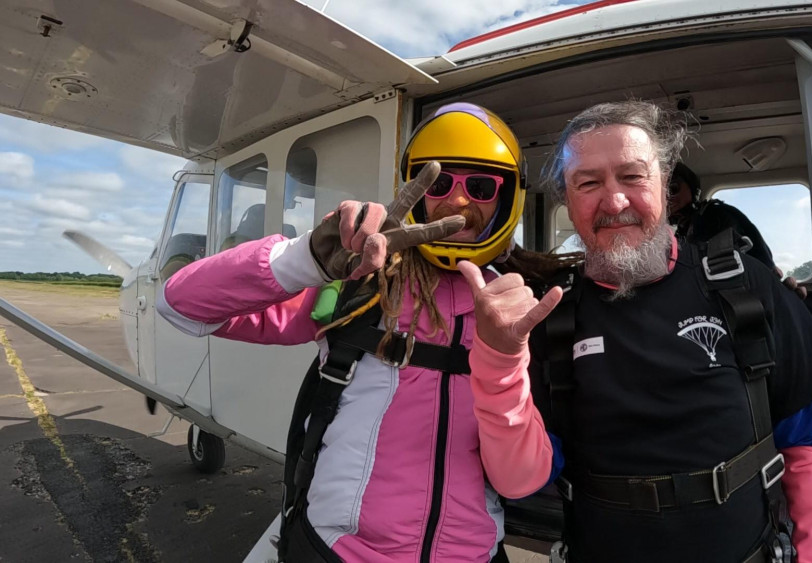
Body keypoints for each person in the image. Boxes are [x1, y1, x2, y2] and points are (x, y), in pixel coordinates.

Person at [156, 102, 572, 562]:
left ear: (507, 196)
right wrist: (307, 257)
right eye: (439, 183)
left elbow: (521, 480)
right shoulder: (362, 284)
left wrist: (502, 360)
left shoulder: (520, 310)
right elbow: (181, 305)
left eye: (480, 185)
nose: (456, 201)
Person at [458, 100, 812, 562]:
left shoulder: (744, 286)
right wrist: (500, 361)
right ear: (568, 201)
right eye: (588, 183)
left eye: (632, 176)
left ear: (665, 183)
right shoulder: (552, 313)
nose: (615, 201)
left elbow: (810, 444)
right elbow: (519, 480)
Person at [670, 162, 806, 298]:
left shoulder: (715, 216)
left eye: (673, 189)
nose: (667, 198)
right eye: (661, 192)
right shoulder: (684, 228)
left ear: (692, 188)